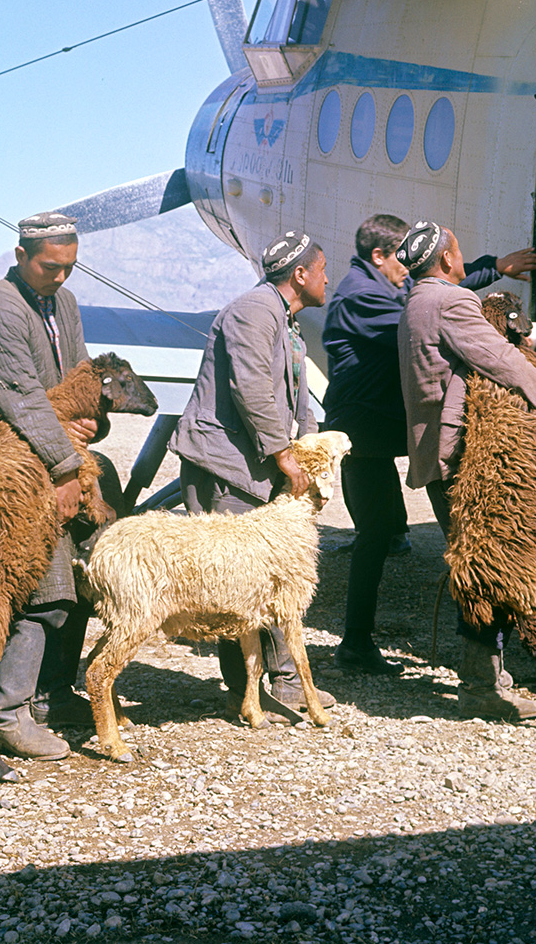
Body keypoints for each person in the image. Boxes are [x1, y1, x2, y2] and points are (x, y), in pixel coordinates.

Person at [322, 215, 536, 675]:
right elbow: (421, 313)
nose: (409, 264)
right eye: (401, 255)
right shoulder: (358, 296)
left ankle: (358, 642)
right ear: (379, 256)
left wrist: (491, 266)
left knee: (383, 533)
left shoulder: (380, 286)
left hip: (380, 432)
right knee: (375, 535)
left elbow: (423, 292)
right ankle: (355, 643)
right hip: (362, 435)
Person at [396, 219, 536, 721]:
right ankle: (480, 687)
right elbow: (498, 359)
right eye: (460, 248)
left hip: (434, 454)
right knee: (487, 567)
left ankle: (492, 676)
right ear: (449, 260)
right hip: (461, 460)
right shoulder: (451, 302)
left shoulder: (415, 301)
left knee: (478, 562)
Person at [0, 211, 115, 761]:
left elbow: (80, 376)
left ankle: (51, 692)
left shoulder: (65, 302)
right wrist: (64, 463)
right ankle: (6, 710)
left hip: (60, 453)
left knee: (80, 576)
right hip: (17, 464)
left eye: (70, 268)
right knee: (42, 588)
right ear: (21, 257)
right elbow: (20, 396)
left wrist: (89, 420)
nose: (60, 277)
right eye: (50, 267)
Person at [170, 229, 336, 714]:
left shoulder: (283, 319)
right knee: (234, 578)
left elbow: (295, 396)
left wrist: (305, 455)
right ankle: (250, 686)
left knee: (275, 575)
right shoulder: (253, 311)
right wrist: (283, 453)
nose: (328, 278)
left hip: (254, 464)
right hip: (224, 467)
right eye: (322, 268)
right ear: (300, 274)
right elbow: (252, 388)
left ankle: (279, 680)